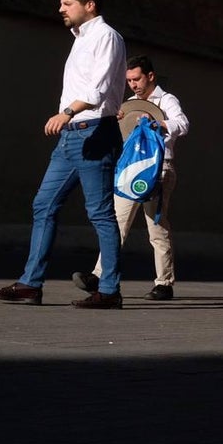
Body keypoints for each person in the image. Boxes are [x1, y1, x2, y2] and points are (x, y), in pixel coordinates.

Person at [0, 0, 127, 309]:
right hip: (70, 138)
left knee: (100, 214)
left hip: (94, 132)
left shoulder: (106, 37)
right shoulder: (79, 40)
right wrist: (68, 121)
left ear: (89, 4)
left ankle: (109, 291)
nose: (60, 9)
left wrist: (66, 113)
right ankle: (30, 285)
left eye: (67, 3)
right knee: (43, 205)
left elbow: (98, 90)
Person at [72, 55, 190, 301]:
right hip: (130, 169)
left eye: (136, 79)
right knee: (117, 223)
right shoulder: (130, 104)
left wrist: (157, 123)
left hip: (159, 169)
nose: (133, 85)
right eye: (129, 81)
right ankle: (99, 275)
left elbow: (183, 123)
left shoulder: (167, 99)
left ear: (150, 76)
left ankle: (164, 284)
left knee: (156, 228)